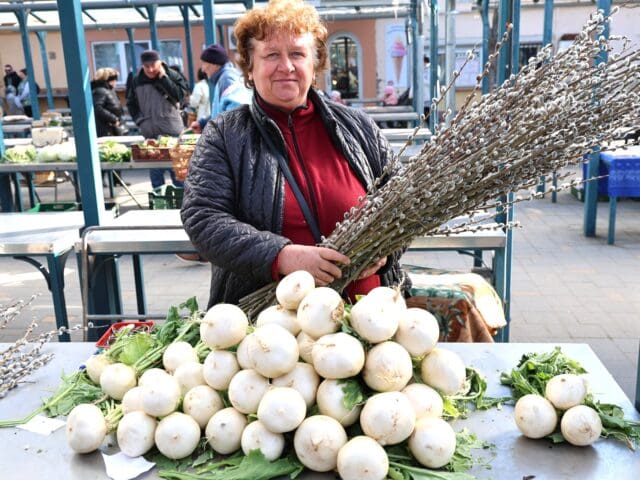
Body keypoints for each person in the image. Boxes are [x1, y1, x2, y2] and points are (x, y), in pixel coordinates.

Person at [180, 0, 406, 309]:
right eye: (272, 55)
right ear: (250, 68)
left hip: (369, 313)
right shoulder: (224, 135)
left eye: (297, 54)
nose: (286, 66)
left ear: (314, 66)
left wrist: (386, 250)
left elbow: (402, 203)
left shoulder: (359, 127)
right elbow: (203, 217)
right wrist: (281, 256)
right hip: (271, 320)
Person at [127, 49, 188, 189]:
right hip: (150, 133)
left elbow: (180, 96)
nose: (150, 69)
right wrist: (140, 121)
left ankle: (183, 199)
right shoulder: (137, 80)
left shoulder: (172, 75)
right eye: (146, 66)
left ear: (160, 62)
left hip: (172, 131)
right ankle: (158, 198)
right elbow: (131, 103)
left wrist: (164, 79)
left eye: (153, 65)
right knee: (155, 175)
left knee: (178, 173)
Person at [189, 43, 250, 133]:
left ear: (216, 65)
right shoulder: (224, 78)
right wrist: (202, 123)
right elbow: (221, 113)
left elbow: (233, 119)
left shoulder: (227, 79)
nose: (203, 69)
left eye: (204, 63)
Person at [91, 67, 128, 187]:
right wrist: (113, 119)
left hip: (111, 127)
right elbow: (98, 108)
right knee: (106, 154)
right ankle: (101, 181)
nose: (116, 82)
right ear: (109, 79)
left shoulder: (107, 90)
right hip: (105, 128)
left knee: (114, 154)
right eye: (115, 79)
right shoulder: (101, 91)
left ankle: (116, 180)